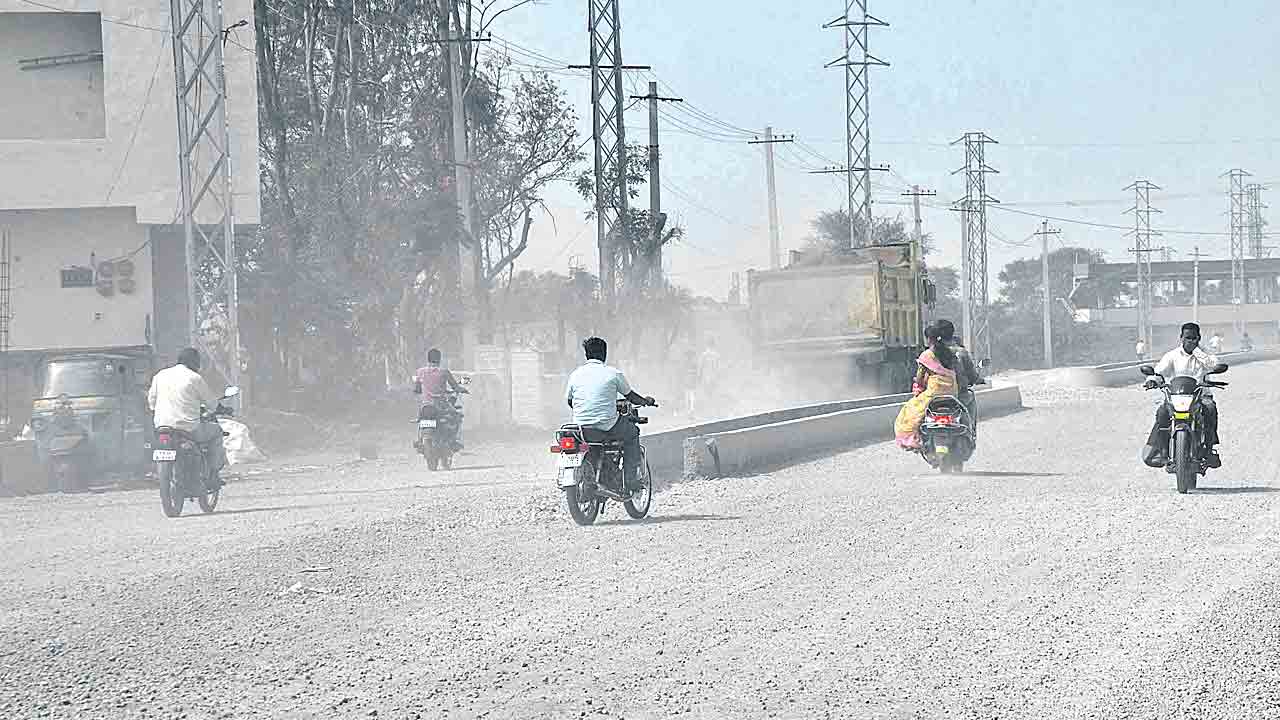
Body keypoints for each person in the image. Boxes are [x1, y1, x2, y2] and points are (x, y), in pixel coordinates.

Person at [565, 337, 657, 491]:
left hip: (581, 429)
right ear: (605, 353)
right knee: (632, 432)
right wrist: (646, 401)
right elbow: (631, 397)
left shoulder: (575, 375)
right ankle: (630, 480)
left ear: (586, 354)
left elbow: (570, 401)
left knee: (593, 442)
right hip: (607, 426)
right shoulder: (613, 373)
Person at [146, 347, 229, 488]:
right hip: (188, 428)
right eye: (198, 363)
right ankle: (214, 474)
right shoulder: (194, 378)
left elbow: (151, 402)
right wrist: (218, 409)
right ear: (193, 362)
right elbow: (211, 403)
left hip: (162, 427)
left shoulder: (160, 375)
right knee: (216, 431)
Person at [1142, 322, 1221, 468]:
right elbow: (1159, 372)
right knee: (1162, 413)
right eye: (1187, 337)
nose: (1190, 341)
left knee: (1210, 409)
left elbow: (1213, 365)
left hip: (1200, 396)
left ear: (1199, 338)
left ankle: (1209, 450)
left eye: (1194, 338)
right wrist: (1152, 380)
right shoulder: (1172, 356)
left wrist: (1197, 352)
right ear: (1181, 337)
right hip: (1176, 396)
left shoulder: (1205, 355)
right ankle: (1162, 451)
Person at [894, 323, 960, 450]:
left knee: (909, 412)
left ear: (929, 339)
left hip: (934, 393)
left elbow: (920, 377)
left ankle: (912, 440)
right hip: (952, 391)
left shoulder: (926, 355)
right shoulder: (950, 353)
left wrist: (918, 386)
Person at [414, 348, 468, 451]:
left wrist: (423, 390)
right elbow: (455, 387)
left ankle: (419, 439)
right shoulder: (444, 372)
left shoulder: (420, 372)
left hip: (426, 405)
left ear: (428, 359)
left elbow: (417, 389)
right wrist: (462, 389)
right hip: (441, 405)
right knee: (457, 417)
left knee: (421, 419)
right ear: (439, 359)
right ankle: (454, 441)